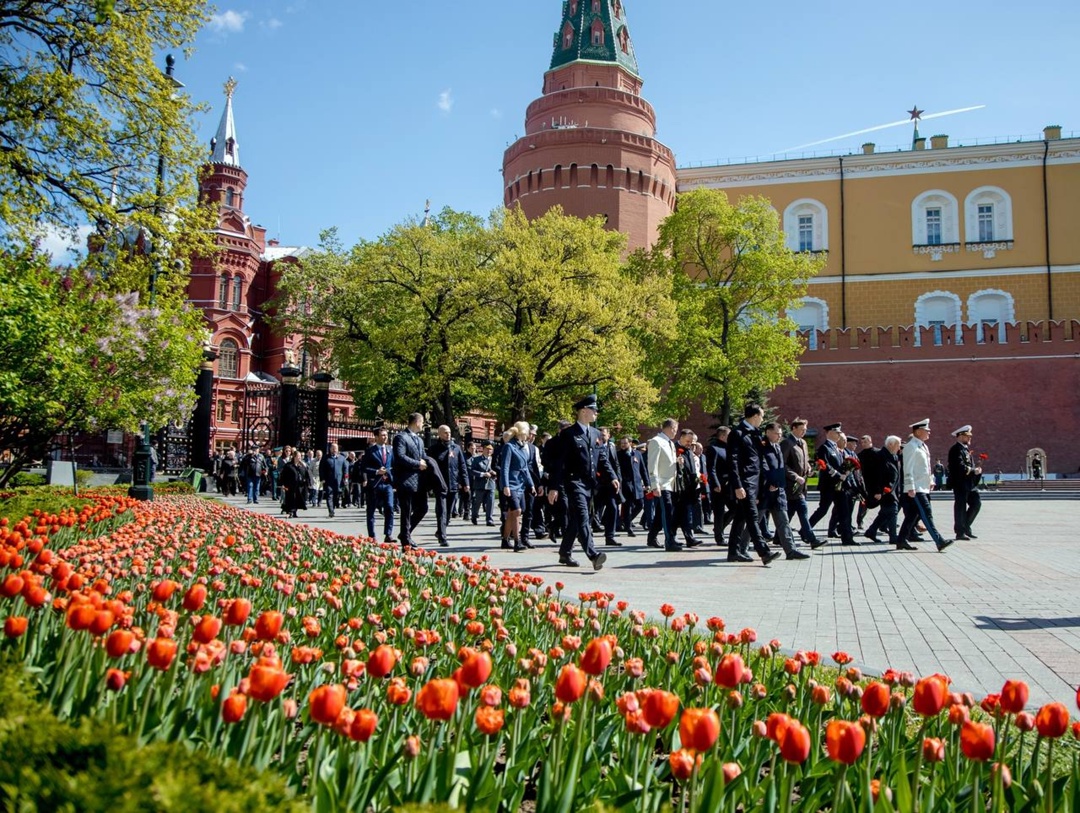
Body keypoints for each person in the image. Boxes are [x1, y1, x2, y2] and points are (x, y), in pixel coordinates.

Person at [546, 395, 614, 570]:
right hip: (573, 482)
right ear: (583, 411)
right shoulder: (569, 434)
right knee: (583, 517)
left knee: (577, 520)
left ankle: (565, 552)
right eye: (594, 410)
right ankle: (593, 555)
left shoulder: (595, 433)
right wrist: (554, 487)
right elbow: (559, 463)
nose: (596, 413)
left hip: (590, 484)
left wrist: (613, 476)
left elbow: (602, 459)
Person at [726, 404, 782, 566]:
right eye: (762, 416)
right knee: (752, 517)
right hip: (744, 483)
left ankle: (733, 552)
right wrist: (737, 485)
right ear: (755, 416)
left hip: (754, 483)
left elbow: (760, 460)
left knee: (741, 518)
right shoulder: (737, 433)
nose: (763, 419)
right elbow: (733, 461)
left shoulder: (755, 434)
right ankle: (764, 552)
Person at [898, 419, 954, 552]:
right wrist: (910, 486)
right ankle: (939, 540)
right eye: (926, 430)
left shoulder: (922, 445)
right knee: (926, 513)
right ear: (918, 431)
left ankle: (901, 540)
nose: (929, 432)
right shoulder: (911, 446)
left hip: (923, 487)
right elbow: (908, 468)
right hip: (916, 488)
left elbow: (926, 467)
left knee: (913, 515)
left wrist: (931, 481)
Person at [759, 422, 809, 560]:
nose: (779, 437)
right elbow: (762, 466)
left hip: (778, 490)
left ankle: (791, 550)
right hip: (765, 490)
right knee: (755, 521)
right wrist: (768, 482)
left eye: (780, 434)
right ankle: (741, 548)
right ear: (768, 432)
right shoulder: (762, 446)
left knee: (783, 521)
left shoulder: (777, 446)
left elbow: (780, 467)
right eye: (776, 434)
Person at [808, 423, 858, 547]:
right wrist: (837, 475)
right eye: (837, 433)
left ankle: (847, 538)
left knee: (844, 511)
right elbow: (824, 465)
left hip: (840, 487)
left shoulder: (836, 448)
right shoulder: (824, 448)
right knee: (823, 510)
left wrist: (846, 471)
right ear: (829, 433)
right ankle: (805, 530)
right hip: (829, 485)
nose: (839, 435)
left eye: (840, 433)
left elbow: (841, 463)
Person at [863, 435, 910, 549]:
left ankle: (871, 531)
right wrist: (877, 491)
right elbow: (876, 476)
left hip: (892, 490)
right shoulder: (880, 456)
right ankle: (893, 537)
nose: (899, 448)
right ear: (890, 444)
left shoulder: (893, 456)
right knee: (892, 510)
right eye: (898, 445)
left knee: (885, 512)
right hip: (884, 490)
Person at [392, 413, 430, 550]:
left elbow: (424, 457)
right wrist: (417, 464)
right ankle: (406, 542)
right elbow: (400, 457)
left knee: (423, 508)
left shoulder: (419, 440)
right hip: (405, 480)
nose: (423, 425)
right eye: (422, 422)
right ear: (416, 422)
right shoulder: (401, 438)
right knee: (406, 511)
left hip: (419, 481)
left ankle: (404, 533)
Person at [781, 419, 819, 547]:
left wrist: (808, 468)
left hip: (802, 485)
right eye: (802, 429)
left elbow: (805, 460)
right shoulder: (787, 443)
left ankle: (778, 537)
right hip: (791, 485)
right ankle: (811, 538)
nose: (804, 431)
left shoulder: (803, 442)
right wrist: (795, 476)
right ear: (794, 428)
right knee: (803, 510)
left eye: (805, 429)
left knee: (790, 512)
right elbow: (783, 464)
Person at [646, 418, 682, 552]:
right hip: (662, 483)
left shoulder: (670, 443)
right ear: (670, 428)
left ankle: (652, 537)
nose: (675, 433)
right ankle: (669, 540)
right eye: (675, 430)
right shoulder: (657, 441)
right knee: (667, 513)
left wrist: (676, 461)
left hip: (671, 483)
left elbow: (666, 461)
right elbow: (652, 464)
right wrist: (654, 484)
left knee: (662, 512)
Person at [500, 421, 536, 551]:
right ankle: (517, 541)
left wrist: (531, 484)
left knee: (511, 512)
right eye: (527, 432)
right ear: (522, 433)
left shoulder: (521, 447)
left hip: (520, 484)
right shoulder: (509, 447)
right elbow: (505, 467)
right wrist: (505, 485)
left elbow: (525, 468)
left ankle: (505, 539)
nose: (529, 435)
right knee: (517, 511)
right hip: (511, 484)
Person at [430, 425, 468, 547]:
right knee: (441, 511)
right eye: (445, 432)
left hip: (453, 484)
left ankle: (440, 530)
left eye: (449, 432)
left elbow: (462, 466)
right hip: (440, 484)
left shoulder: (456, 448)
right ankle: (442, 537)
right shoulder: (433, 449)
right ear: (440, 434)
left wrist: (466, 483)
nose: (448, 434)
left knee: (449, 511)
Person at [948, 425, 982, 540]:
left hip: (969, 484)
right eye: (967, 436)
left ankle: (966, 526)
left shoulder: (965, 449)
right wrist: (974, 470)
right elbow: (959, 467)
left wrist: (976, 471)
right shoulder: (956, 449)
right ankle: (960, 531)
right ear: (960, 436)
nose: (969, 438)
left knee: (976, 503)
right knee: (960, 507)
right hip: (960, 484)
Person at [362, 429, 395, 543]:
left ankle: (388, 534)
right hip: (375, 484)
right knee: (371, 510)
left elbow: (394, 465)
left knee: (390, 508)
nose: (385, 437)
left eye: (386, 435)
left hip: (387, 484)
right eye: (382, 435)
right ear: (376, 437)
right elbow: (364, 468)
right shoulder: (370, 451)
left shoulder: (391, 450)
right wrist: (376, 471)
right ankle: (372, 536)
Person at [595, 427, 623, 547]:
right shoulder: (594, 445)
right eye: (600, 435)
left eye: (604, 435)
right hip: (597, 484)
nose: (602, 437)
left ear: (608, 435)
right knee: (592, 510)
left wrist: (618, 478)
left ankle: (610, 536)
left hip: (610, 484)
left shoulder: (611, 446)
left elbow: (615, 464)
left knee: (613, 508)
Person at [704, 427, 731, 544]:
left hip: (728, 485)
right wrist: (715, 483)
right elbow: (711, 468)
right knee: (719, 512)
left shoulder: (727, 448)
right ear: (723, 436)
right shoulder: (713, 448)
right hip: (718, 486)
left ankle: (719, 528)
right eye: (729, 435)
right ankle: (719, 538)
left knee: (735, 508)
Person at [617, 436, 647, 536]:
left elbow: (643, 470)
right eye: (621, 443)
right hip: (626, 485)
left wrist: (647, 483)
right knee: (627, 506)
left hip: (637, 484)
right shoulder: (619, 455)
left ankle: (626, 520)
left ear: (630, 443)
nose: (623, 445)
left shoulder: (637, 454)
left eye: (625, 443)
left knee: (640, 504)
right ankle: (628, 527)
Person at [469, 442, 497, 526]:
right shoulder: (477, 459)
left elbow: (499, 468)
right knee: (477, 502)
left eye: (491, 449)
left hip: (491, 484)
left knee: (490, 502)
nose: (489, 451)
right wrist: (482, 474)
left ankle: (489, 519)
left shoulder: (494, 459)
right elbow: (472, 471)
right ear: (483, 449)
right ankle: (474, 516)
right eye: (487, 449)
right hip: (480, 484)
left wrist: (495, 472)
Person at [319, 442, 348, 517]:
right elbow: (321, 469)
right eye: (333, 448)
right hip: (328, 480)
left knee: (336, 495)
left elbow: (345, 469)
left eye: (336, 448)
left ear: (338, 449)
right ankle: (331, 511)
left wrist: (346, 478)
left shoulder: (341, 458)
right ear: (330, 449)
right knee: (329, 495)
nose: (334, 449)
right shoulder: (325, 458)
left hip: (338, 480)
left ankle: (334, 506)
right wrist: (322, 479)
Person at [279, 450, 308, 518]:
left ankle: (294, 511)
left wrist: (303, 466)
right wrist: (283, 484)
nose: (299, 458)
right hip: (290, 486)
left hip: (299, 486)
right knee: (291, 498)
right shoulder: (288, 466)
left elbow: (305, 474)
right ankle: (291, 511)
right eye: (298, 456)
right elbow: (283, 475)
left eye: (300, 457)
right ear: (294, 457)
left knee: (297, 499)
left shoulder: (301, 466)